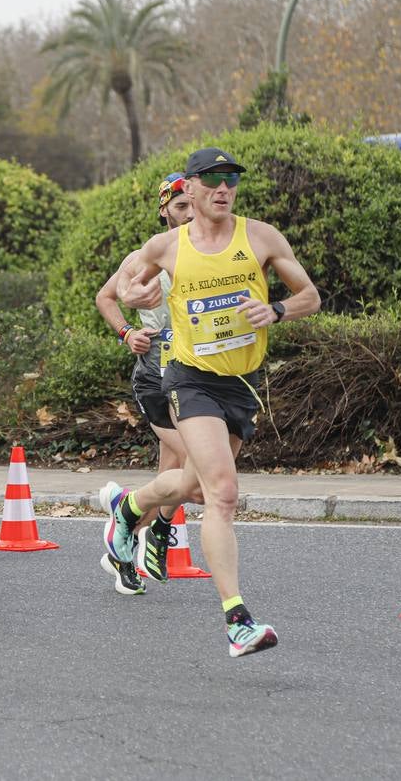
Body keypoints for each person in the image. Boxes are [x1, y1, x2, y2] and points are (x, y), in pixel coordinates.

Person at [115, 147, 321, 657]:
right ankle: (237, 620)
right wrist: (135, 296)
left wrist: (277, 310)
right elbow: (122, 285)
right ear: (189, 187)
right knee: (223, 494)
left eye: (231, 179)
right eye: (212, 180)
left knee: (191, 485)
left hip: (242, 383)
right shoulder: (166, 246)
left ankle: (129, 507)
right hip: (190, 379)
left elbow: (310, 296)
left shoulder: (261, 236)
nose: (223, 188)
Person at [92, 174, 195, 595]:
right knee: (198, 463)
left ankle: (125, 538)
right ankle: (149, 527)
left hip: (196, 374)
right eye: (181, 206)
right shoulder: (145, 256)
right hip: (156, 373)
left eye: (194, 204)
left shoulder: (213, 255)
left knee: (171, 477)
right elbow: (105, 297)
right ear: (164, 210)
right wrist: (126, 332)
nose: (189, 213)